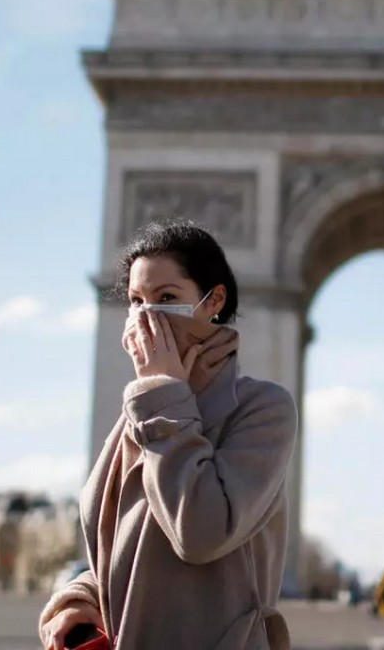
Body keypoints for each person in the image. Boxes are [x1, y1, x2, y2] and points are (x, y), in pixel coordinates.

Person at [36, 220, 299, 650]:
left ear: (214, 301)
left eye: (167, 298)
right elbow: (125, 550)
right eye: (136, 301)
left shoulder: (262, 409)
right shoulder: (138, 416)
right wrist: (80, 597)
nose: (146, 317)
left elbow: (199, 534)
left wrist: (162, 394)